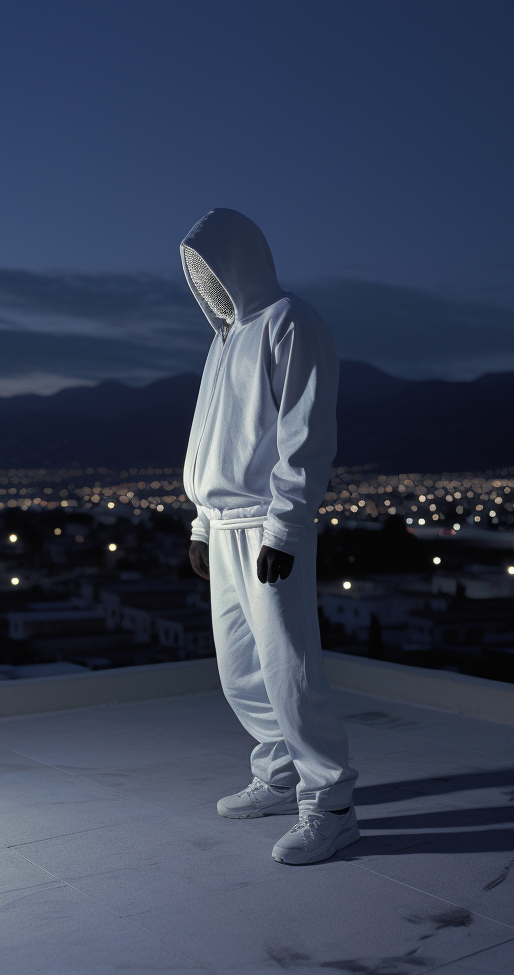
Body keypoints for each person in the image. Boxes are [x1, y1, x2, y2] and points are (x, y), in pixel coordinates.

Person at [180, 207, 359, 865]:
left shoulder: (291, 322)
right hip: (224, 525)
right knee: (240, 670)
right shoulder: (222, 340)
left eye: (209, 265)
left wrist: (285, 525)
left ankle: (331, 803)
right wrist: (201, 521)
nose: (203, 280)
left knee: (289, 667)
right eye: (193, 270)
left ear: (237, 260)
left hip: (267, 524)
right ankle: (280, 776)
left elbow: (305, 436)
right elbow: (208, 441)